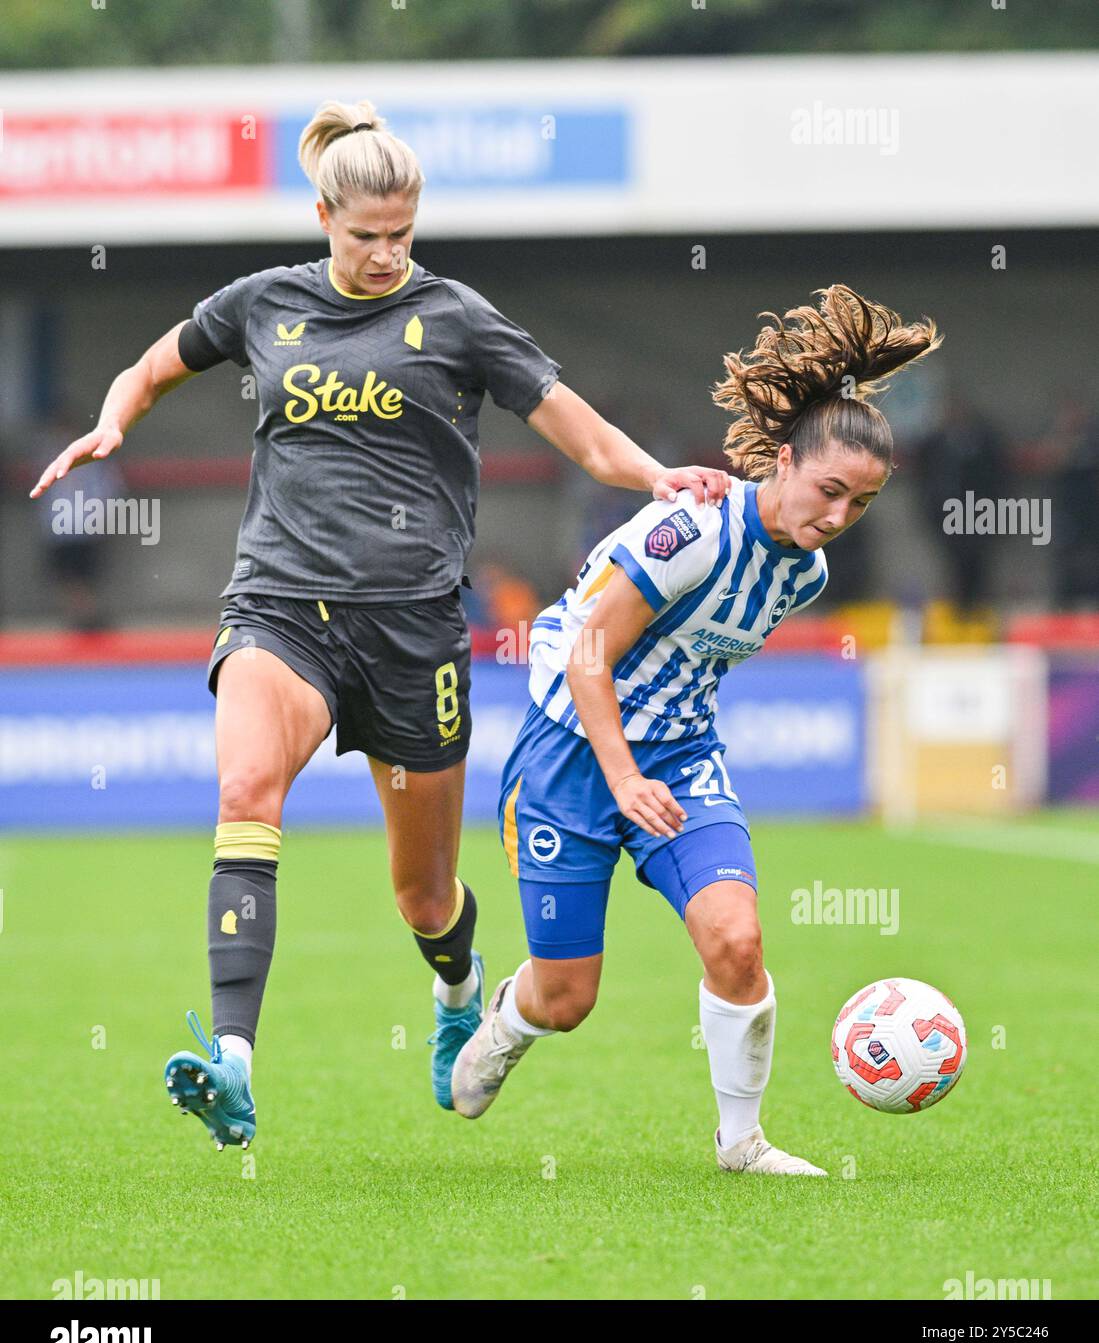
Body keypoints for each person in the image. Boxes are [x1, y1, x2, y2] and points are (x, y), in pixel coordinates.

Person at [28, 97, 732, 1151]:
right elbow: (157, 362)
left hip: (410, 630)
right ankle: (234, 1059)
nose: (385, 254)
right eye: (366, 237)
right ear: (322, 214)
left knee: (423, 893)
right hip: (279, 604)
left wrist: (650, 474)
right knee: (245, 789)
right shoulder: (261, 303)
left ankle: (458, 993)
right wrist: (113, 421)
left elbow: (567, 419)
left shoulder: (456, 317)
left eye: (402, 234)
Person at [451, 285, 942, 1175]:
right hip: (570, 752)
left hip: (678, 758)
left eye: (859, 504)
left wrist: (663, 762)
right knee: (567, 998)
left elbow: (691, 663)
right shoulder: (692, 531)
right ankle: (502, 1026)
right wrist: (623, 775)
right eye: (828, 489)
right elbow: (588, 653)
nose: (834, 517)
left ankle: (741, 1141)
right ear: (783, 463)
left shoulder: (806, 574)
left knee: (736, 941)